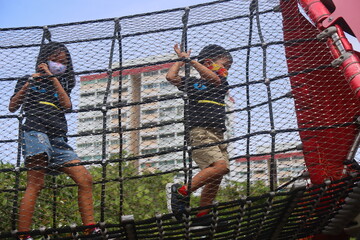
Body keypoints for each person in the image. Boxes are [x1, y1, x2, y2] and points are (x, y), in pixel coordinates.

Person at [9, 42, 99, 240]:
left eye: (63, 62)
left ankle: (90, 229)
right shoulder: (27, 79)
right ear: (44, 60)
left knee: (85, 178)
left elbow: (67, 105)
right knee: (36, 183)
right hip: (35, 131)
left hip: (58, 138)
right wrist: (29, 83)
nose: (59, 64)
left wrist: (53, 78)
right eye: (55, 60)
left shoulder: (63, 83)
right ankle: (24, 235)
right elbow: (13, 106)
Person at [166, 43, 233, 227]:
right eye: (224, 66)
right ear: (209, 62)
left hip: (218, 133)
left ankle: (203, 214)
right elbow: (171, 77)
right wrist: (182, 61)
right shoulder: (193, 83)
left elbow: (215, 80)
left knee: (218, 174)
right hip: (200, 132)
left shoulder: (220, 82)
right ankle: (181, 191)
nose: (226, 71)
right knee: (219, 167)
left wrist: (191, 62)